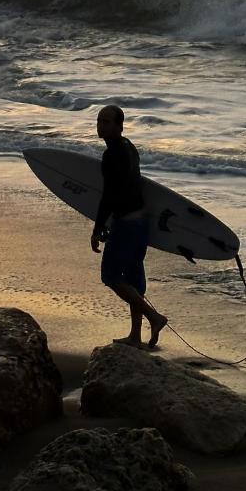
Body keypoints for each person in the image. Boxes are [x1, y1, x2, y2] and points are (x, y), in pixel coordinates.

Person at [91, 104, 168, 349]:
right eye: (99, 120)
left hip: (126, 223)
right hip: (141, 223)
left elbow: (110, 195)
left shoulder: (112, 154)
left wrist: (98, 227)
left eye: (106, 122)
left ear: (119, 125)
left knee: (111, 276)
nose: (101, 125)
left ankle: (154, 317)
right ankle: (135, 336)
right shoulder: (129, 147)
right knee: (134, 280)